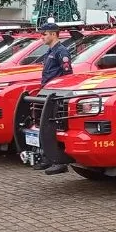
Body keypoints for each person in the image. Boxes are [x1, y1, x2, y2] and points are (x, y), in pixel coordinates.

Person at [34, 21, 75, 171]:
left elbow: (67, 75)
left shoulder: (61, 52)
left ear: (53, 34)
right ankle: (47, 158)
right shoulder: (50, 52)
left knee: (55, 127)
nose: (41, 37)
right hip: (47, 92)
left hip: (55, 95)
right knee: (45, 127)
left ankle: (59, 162)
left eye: (44, 34)